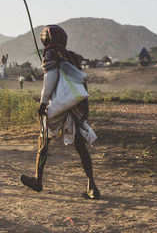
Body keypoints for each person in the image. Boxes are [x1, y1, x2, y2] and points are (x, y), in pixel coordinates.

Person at [20, 25, 100, 199]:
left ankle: (38, 180)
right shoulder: (70, 55)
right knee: (80, 145)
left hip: (57, 104)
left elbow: (51, 77)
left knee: (44, 141)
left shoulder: (50, 53)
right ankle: (91, 186)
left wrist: (42, 103)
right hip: (74, 105)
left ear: (46, 39)